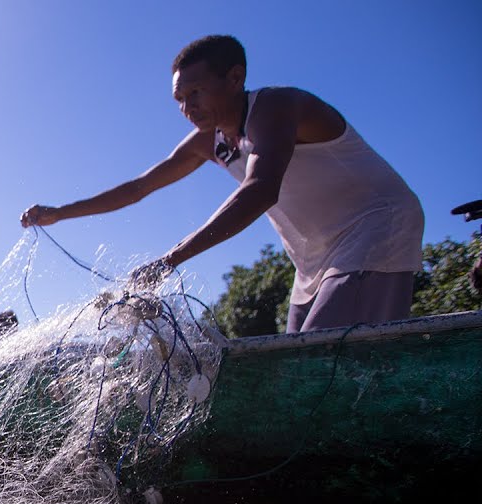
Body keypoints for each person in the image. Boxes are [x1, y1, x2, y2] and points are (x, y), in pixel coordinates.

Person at [22, 35, 423, 334]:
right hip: (313, 259)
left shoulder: (275, 107)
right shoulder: (208, 141)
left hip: (373, 226)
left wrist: (170, 260)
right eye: (180, 99)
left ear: (235, 78)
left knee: (324, 357)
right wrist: (59, 213)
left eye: (195, 92)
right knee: (298, 360)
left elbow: (260, 189)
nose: (187, 107)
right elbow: (139, 187)